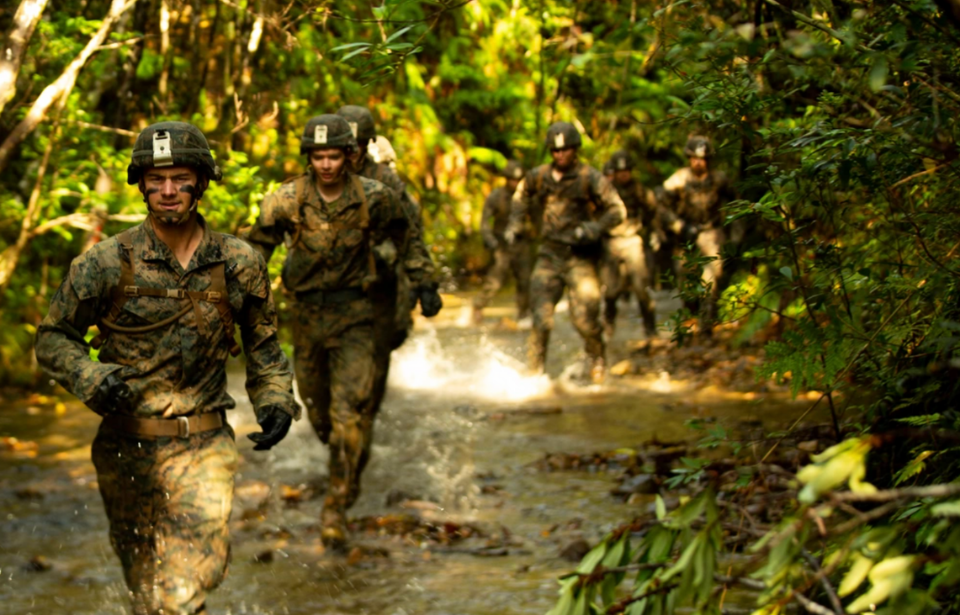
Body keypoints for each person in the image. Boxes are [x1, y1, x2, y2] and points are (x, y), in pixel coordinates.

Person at [35, 121, 299, 615]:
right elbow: (53, 338)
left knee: (190, 580)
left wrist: (276, 400)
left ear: (200, 181)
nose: (168, 191)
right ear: (141, 184)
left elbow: (263, 347)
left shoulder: (239, 262)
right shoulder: (107, 262)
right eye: (156, 180)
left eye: (179, 178)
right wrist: (90, 377)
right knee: (148, 590)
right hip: (125, 447)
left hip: (204, 444)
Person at [245, 114, 410, 549]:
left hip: (357, 315)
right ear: (308, 157)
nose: (327, 164)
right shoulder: (285, 199)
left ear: (349, 155)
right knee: (318, 414)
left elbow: (409, 236)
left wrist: (421, 283)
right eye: (318, 156)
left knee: (349, 414)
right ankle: (347, 463)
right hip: (306, 320)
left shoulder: (375, 196)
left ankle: (335, 507)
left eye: (334, 155)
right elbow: (253, 249)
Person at [335, 104, 441, 426]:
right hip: (333, 286)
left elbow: (410, 231)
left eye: (356, 147)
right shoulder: (319, 174)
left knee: (385, 342)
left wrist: (424, 283)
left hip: (380, 279)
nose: (350, 154)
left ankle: (364, 416)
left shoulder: (386, 179)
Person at [505, 121, 626, 383]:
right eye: (555, 151)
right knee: (540, 318)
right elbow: (520, 196)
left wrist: (595, 227)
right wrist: (515, 223)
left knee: (584, 320)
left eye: (566, 150)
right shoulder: (539, 175)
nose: (560, 155)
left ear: (575, 150)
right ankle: (535, 373)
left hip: (580, 257)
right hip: (549, 253)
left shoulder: (590, 177)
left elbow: (618, 210)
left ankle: (597, 360)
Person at [660, 135, 734, 335]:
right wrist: (678, 226)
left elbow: (736, 201)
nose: (698, 162)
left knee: (711, 278)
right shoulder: (679, 179)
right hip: (686, 234)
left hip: (711, 232)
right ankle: (689, 317)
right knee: (684, 278)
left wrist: (733, 229)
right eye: (694, 158)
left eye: (702, 159)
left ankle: (707, 323)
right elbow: (661, 206)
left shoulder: (719, 179)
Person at [601, 150, 659, 340]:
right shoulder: (605, 190)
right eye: (620, 171)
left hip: (632, 239)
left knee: (641, 287)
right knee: (610, 290)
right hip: (611, 241)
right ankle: (608, 327)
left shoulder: (639, 190)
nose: (623, 174)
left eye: (626, 170)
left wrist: (649, 231)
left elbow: (652, 209)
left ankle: (650, 330)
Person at [472, 160, 533, 325]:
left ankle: (524, 313)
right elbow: (485, 221)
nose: (516, 183)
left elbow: (537, 218)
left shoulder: (527, 197)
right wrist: (490, 240)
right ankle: (478, 307)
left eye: (519, 180)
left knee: (525, 280)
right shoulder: (496, 196)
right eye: (513, 180)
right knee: (495, 280)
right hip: (502, 245)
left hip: (521, 243)